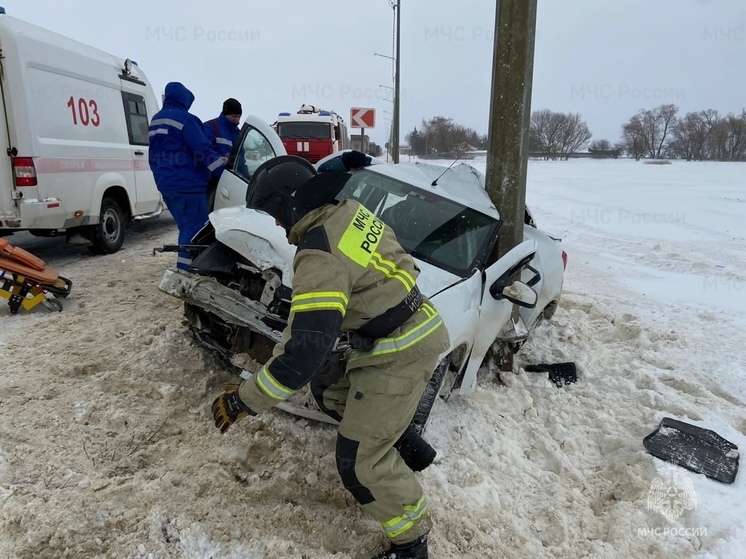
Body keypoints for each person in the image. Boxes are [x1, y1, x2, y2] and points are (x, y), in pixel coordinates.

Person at [211, 153, 450, 559]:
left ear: (290, 204)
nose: (279, 225)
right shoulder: (350, 210)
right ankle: (404, 442)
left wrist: (243, 400)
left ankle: (411, 543)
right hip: (412, 323)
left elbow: (302, 353)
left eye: (275, 215)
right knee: (331, 390)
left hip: (397, 351)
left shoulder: (318, 252)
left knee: (358, 463)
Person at [148, 82, 225, 270]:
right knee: (195, 230)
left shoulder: (156, 120)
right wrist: (223, 172)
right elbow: (202, 149)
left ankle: (189, 268)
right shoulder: (186, 120)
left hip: (167, 184)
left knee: (187, 227)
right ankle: (188, 272)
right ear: (184, 99)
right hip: (189, 184)